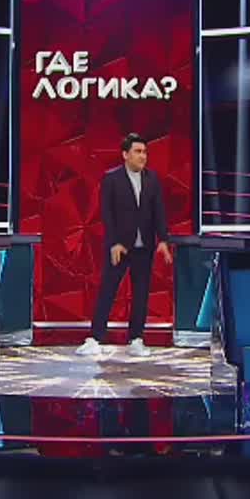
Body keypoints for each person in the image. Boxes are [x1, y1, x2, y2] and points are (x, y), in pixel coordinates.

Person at [78, 133, 172, 358]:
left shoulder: (152, 179)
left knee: (141, 294)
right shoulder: (111, 179)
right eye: (138, 152)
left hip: (144, 246)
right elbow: (107, 214)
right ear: (125, 154)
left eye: (145, 152)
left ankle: (136, 339)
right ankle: (95, 338)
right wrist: (114, 243)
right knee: (108, 290)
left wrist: (163, 240)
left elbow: (158, 211)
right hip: (119, 247)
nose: (143, 156)